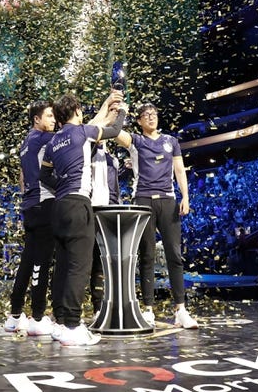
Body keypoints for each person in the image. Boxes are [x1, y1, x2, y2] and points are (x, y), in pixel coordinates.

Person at [40, 90, 126, 346]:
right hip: (79, 205)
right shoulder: (81, 133)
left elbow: (44, 176)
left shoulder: (53, 142)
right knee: (80, 267)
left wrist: (63, 185)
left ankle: (60, 322)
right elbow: (113, 130)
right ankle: (73, 326)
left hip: (59, 207)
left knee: (64, 267)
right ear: (77, 111)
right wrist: (121, 112)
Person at [114, 102, 198, 329]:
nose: (151, 117)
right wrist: (120, 110)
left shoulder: (171, 141)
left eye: (154, 114)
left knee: (174, 254)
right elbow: (113, 130)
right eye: (146, 115)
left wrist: (186, 196)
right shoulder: (136, 141)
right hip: (143, 200)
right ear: (139, 121)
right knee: (147, 255)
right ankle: (148, 309)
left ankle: (181, 309)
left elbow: (179, 170)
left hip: (168, 201)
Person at [3, 100, 57, 337]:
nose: (54, 121)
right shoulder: (44, 139)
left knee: (28, 261)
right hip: (43, 204)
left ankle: (15, 315)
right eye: (49, 116)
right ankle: (37, 317)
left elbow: (22, 178)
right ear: (37, 119)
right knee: (41, 262)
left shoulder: (26, 142)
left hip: (29, 205)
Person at [88, 139, 121, 317]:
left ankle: (108, 305)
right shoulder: (89, 152)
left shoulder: (111, 157)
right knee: (92, 261)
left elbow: (112, 185)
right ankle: (96, 306)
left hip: (113, 211)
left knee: (107, 262)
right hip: (94, 210)